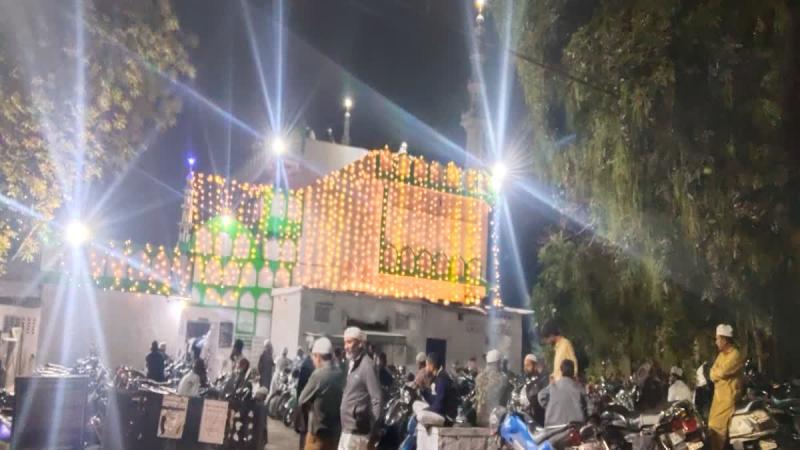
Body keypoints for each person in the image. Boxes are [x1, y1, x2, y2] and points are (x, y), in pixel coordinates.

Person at [339, 327, 383, 450]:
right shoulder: (351, 364)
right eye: (345, 342)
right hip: (347, 429)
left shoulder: (367, 365)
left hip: (358, 433)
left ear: (360, 344)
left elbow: (377, 399)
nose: (346, 346)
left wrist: (372, 431)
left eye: (349, 342)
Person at [299, 337, 346, 450]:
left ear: (318, 357)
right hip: (334, 434)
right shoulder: (340, 373)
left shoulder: (318, 375)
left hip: (318, 434)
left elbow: (301, 400)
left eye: (313, 357)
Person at [708, 324, 744, 450]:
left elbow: (722, 372)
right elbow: (711, 373)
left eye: (718, 339)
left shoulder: (735, 354)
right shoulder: (721, 355)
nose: (716, 342)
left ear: (724, 339)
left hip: (728, 398)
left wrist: (716, 373)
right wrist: (716, 373)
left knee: (717, 429)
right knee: (711, 428)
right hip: (718, 399)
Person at [537, 359, 587, 426]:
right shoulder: (578, 387)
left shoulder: (554, 386)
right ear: (573, 371)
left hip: (554, 427)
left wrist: (551, 406)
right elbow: (588, 405)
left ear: (561, 370)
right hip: (575, 426)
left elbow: (541, 396)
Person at [416, 352, 457, 426]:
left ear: (432, 366)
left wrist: (425, 410)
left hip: (446, 417)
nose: (425, 368)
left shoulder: (442, 380)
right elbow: (434, 400)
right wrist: (423, 390)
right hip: (441, 411)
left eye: (427, 365)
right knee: (416, 404)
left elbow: (438, 406)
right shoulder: (438, 377)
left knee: (420, 415)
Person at [474, 349, 511, 427]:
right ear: (497, 362)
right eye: (500, 362)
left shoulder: (478, 377)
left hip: (480, 418)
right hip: (495, 419)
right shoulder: (502, 378)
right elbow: (505, 399)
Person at [523, 354, 547, 426]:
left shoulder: (541, 380)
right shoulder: (524, 380)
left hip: (537, 418)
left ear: (535, 366)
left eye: (528, 365)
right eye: (525, 365)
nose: (526, 368)